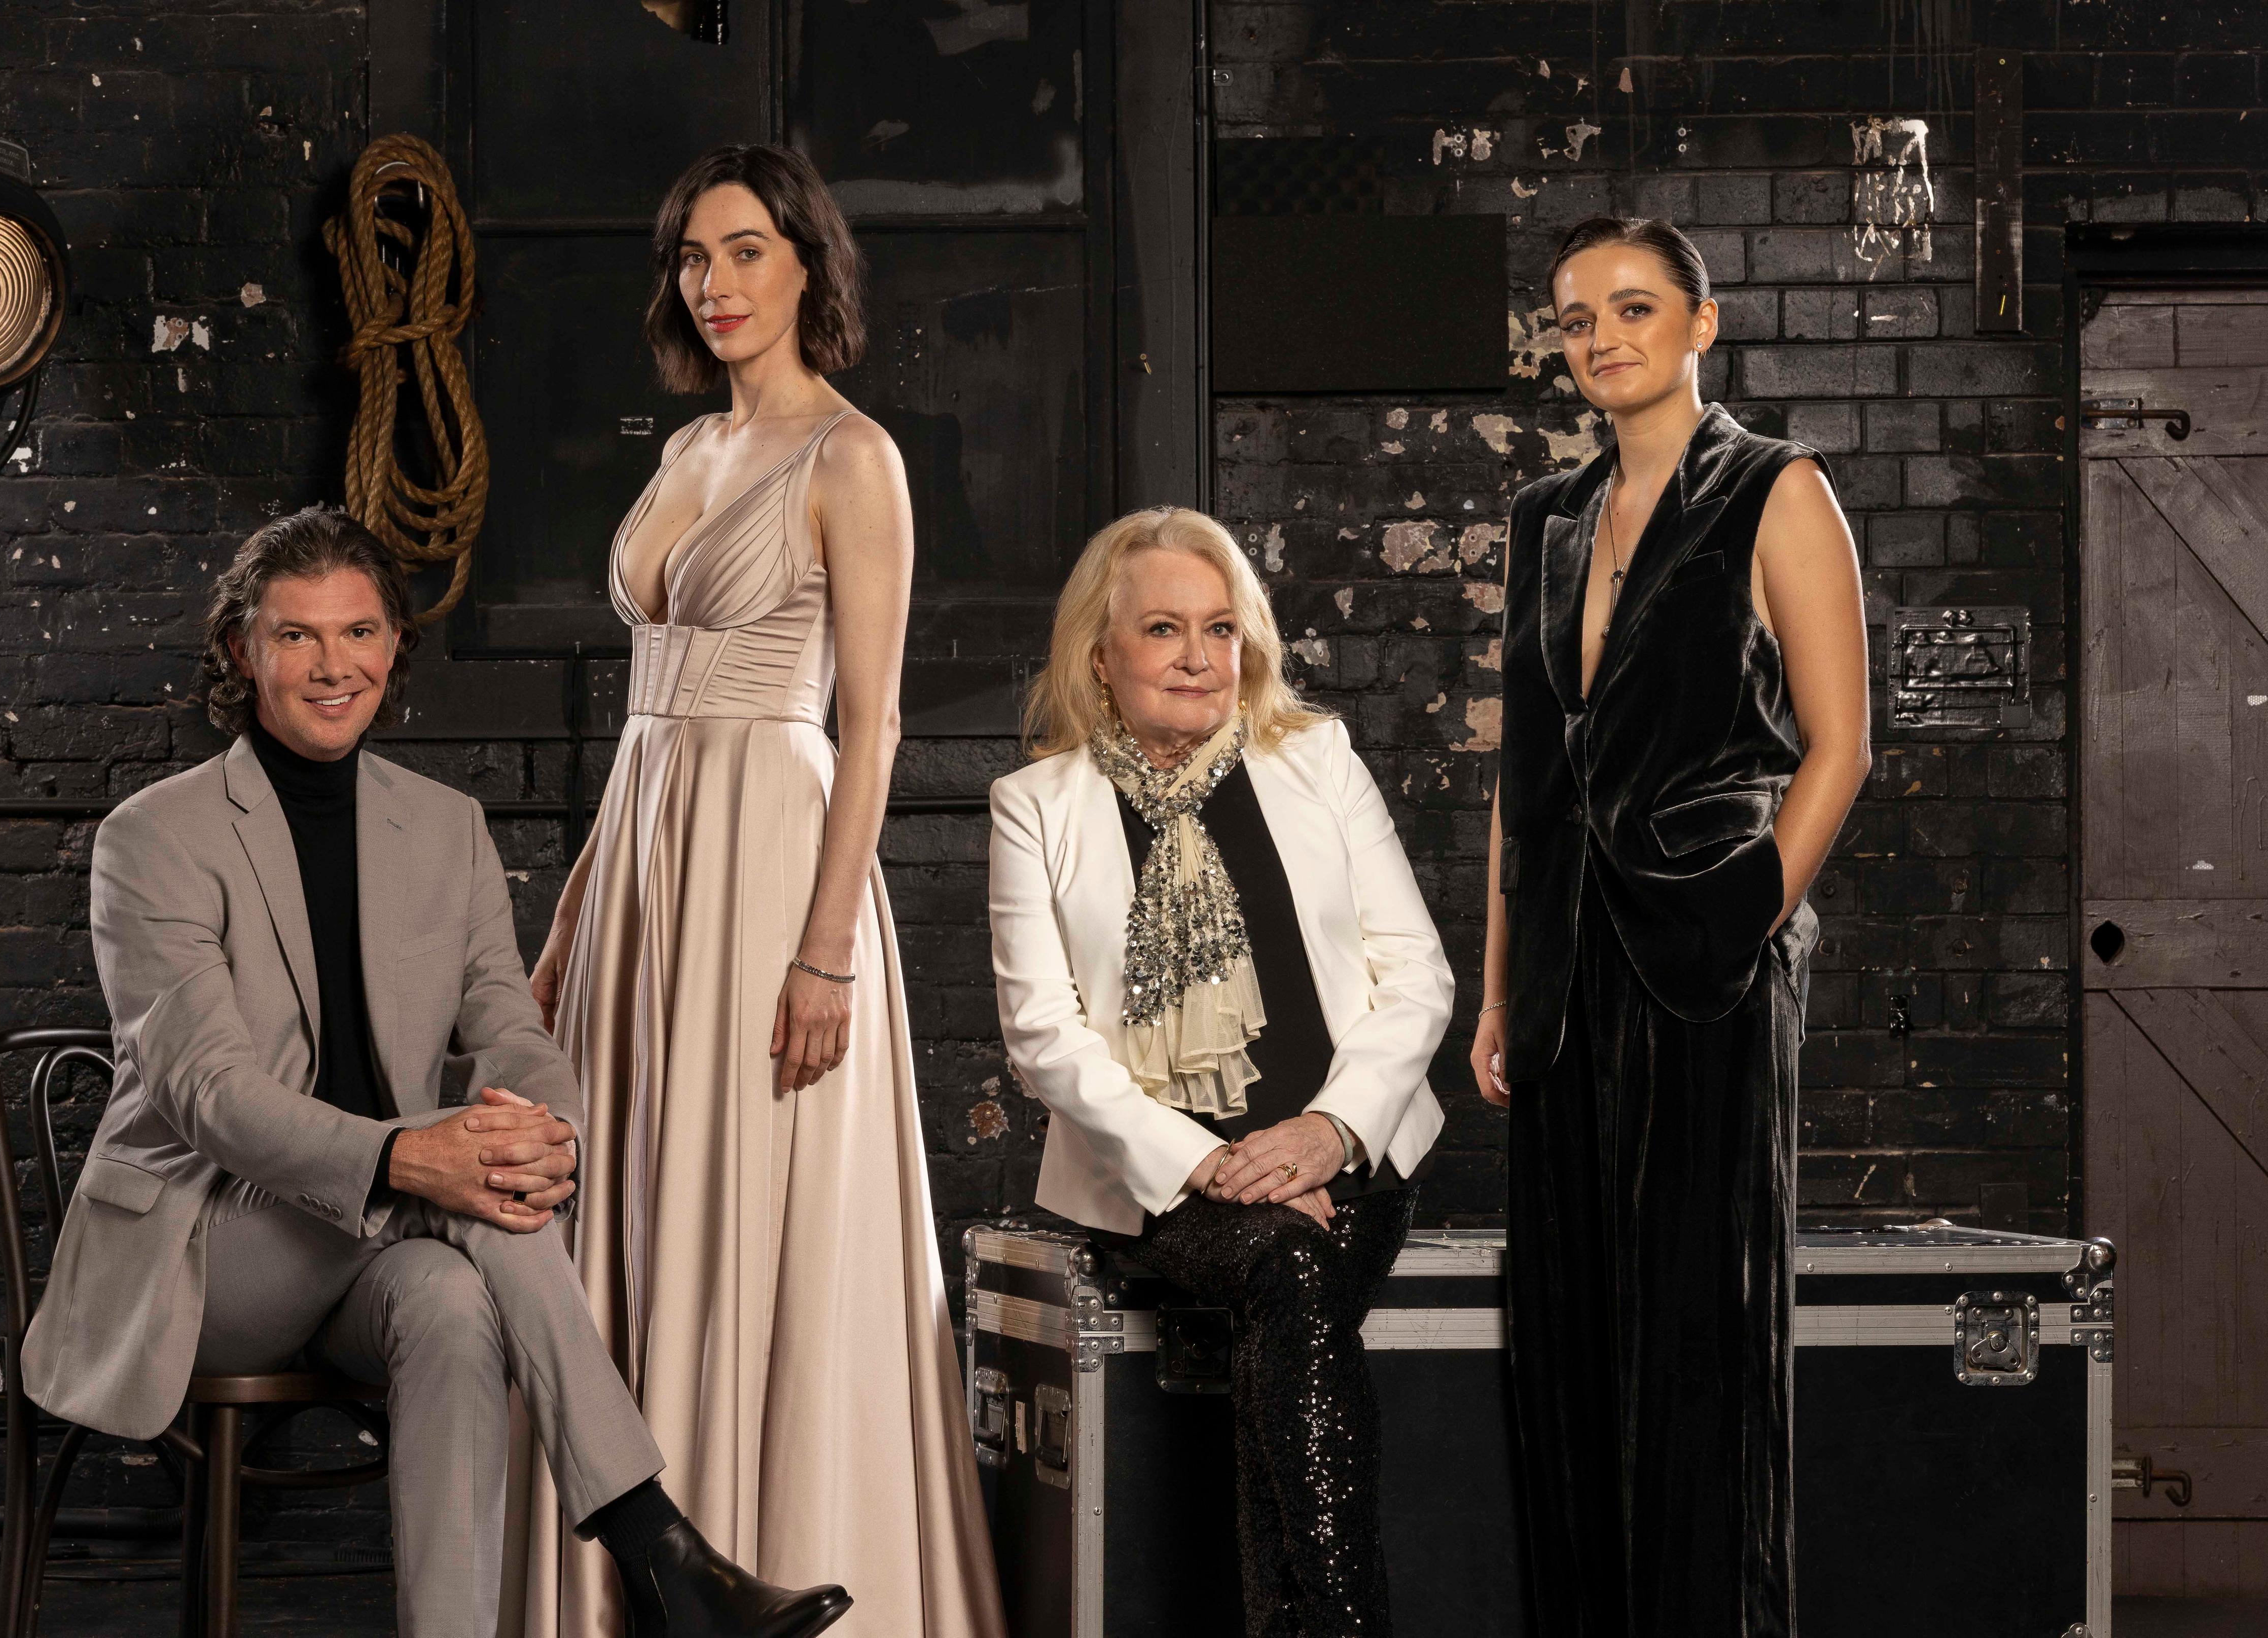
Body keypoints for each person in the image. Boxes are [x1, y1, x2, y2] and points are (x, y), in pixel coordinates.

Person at [25, 507, 850, 1638]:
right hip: (209, 1253)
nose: (333, 665)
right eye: (298, 635)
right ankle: (660, 1549)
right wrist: (416, 1156)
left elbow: (508, 1021)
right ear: (242, 650)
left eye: (359, 632)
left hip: (388, 1249)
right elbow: (208, 1093)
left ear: (393, 646)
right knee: (466, 1207)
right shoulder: (155, 837)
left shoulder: (446, 827)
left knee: (457, 1299)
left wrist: (544, 1124)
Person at [519, 145, 1004, 1637]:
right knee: (633, 1208)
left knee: (768, 1207)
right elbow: (647, 722)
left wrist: (826, 954)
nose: (714, 285)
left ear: (809, 266)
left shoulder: (854, 458)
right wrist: (570, 917)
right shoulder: (684, 458)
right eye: (691, 260)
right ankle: (654, 1576)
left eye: (744, 253)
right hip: (649, 865)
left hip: (775, 865)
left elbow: (879, 726)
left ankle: (795, 1548)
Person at [1474, 216, 1870, 1637]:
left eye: (1634, 308)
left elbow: (1842, 744)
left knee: (1699, 1344)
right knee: (1570, 1352)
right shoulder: (1544, 518)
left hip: (1710, 958)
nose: (1602, 338)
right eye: (1578, 318)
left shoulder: (1775, 490)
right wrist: (1499, 988)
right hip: (1569, 969)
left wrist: (1756, 908)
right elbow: (1526, 779)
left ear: (1703, 324)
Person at [987, 506, 1456, 1634]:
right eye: (1162, 628)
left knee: (1291, 1277)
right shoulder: (1034, 806)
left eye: (1219, 626)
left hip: (1346, 1162)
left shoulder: (1316, 761)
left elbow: (1419, 974)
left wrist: (1328, 1133)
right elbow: (1043, 1035)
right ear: (1101, 655)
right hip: (1160, 1190)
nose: (1200, 655)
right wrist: (1212, 1163)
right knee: (1287, 1273)